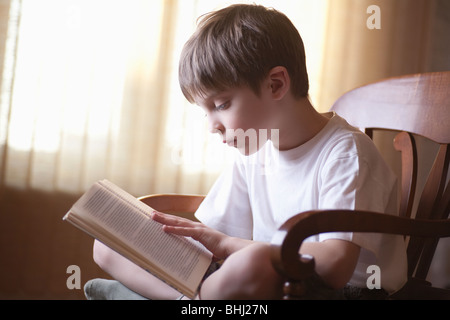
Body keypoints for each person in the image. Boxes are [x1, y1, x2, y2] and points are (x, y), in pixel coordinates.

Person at [89, 4, 407, 300]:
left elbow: (335, 267)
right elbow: (217, 240)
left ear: (275, 85)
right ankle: (191, 300)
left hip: (341, 292)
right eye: (206, 111)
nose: (213, 126)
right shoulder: (256, 154)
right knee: (108, 240)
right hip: (264, 283)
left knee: (254, 260)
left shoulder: (345, 154)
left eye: (222, 104)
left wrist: (230, 246)